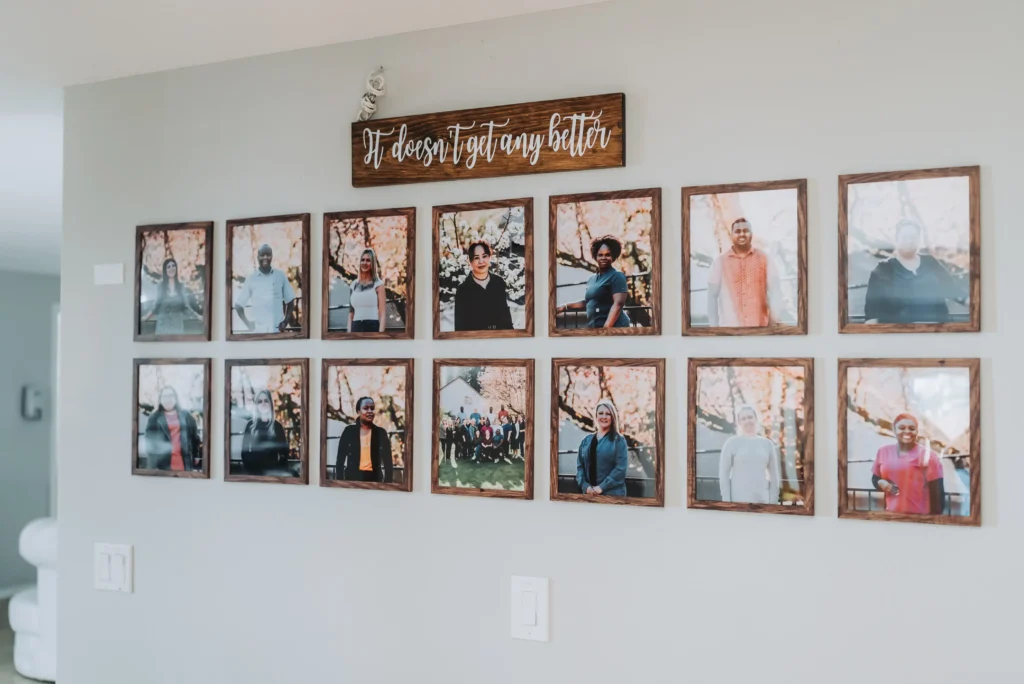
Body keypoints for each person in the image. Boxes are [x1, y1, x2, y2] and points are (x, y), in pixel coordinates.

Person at [863, 220, 962, 324]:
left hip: (937, 331)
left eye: (913, 237)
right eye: (905, 237)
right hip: (900, 334)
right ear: (897, 240)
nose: (909, 241)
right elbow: (872, 312)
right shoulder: (883, 269)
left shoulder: (931, 262)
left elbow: (953, 290)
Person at [706, 218, 786, 327]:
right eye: (737, 231)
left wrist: (772, 323)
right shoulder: (719, 262)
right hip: (729, 331)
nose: (742, 234)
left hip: (759, 329)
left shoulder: (765, 259)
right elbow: (711, 296)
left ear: (752, 235)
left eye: (746, 231)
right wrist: (714, 327)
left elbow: (776, 292)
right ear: (731, 235)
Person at [871, 413, 945, 515]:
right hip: (890, 516)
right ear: (894, 430)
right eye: (901, 428)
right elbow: (875, 478)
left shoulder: (929, 456)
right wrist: (881, 483)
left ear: (917, 432)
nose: (907, 431)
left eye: (911, 428)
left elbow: (938, 497)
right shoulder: (883, 451)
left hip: (918, 519)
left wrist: (930, 523)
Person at [556, 236, 632, 328]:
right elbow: (589, 302)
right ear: (595, 256)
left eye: (607, 255)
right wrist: (565, 306)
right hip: (595, 326)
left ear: (613, 256)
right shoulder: (592, 279)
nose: (603, 258)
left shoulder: (617, 276)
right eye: (600, 255)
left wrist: (606, 329)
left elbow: (618, 304)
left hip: (615, 327)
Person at [718, 405, 781, 504]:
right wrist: (727, 502)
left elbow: (774, 476)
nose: (748, 421)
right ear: (739, 422)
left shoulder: (767, 444)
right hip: (739, 501)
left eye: (750, 417)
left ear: (756, 419)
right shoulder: (731, 443)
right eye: (743, 418)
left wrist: (773, 501)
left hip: (763, 501)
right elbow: (723, 476)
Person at [234, 244, 296, 334]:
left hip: (277, 332)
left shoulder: (280, 275)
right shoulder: (251, 279)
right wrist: (248, 324)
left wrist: (285, 322)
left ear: (272, 256)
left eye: (268, 255)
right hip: (258, 333)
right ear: (257, 256)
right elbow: (238, 306)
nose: (265, 257)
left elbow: (290, 302)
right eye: (262, 255)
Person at [453, 240, 514, 331]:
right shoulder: (463, 290)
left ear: (490, 257)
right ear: (470, 261)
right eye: (476, 258)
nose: (481, 261)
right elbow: (460, 327)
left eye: (484, 256)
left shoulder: (499, 283)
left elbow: (506, 318)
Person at [576, 399, 629, 496]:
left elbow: (620, 469)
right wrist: (585, 487)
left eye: (608, 414)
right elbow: (580, 467)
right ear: (596, 416)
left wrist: (601, 488)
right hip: (589, 495)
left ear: (612, 417)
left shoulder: (619, 441)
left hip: (612, 495)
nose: (604, 416)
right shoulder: (586, 441)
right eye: (600, 413)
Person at [143, 386, 201, 471]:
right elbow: (150, 444)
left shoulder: (186, 415)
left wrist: (196, 455)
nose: (168, 399)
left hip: (184, 462)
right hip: (163, 465)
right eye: (165, 396)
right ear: (160, 400)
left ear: (175, 398)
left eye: (171, 396)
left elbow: (194, 437)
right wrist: (153, 466)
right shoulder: (154, 418)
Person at [335, 397, 393, 482]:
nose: (370, 411)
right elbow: (340, 460)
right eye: (366, 408)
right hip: (352, 479)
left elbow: (388, 462)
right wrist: (340, 483)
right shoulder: (349, 431)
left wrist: (388, 484)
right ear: (358, 411)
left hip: (375, 480)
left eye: (372, 408)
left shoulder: (381, 433)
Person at [143, 258, 202, 335]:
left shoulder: (181, 286)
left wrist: (198, 316)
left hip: (177, 327)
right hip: (162, 327)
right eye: (168, 267)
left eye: (173, 266)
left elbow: (185, 307)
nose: (171, 268)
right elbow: (156, 307)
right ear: (165, 270)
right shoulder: (161, 286)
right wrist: (146, 317)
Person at [240, 389, 290, 474]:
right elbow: (244, 453)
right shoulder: (250, 425)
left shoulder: (277, 426)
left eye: (266, 400)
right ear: (256, 405)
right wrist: (251, 471)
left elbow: (284, 454)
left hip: (273, 474)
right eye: (260, 401)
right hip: (253, 474)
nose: (263, 404)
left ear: (270, 404)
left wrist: (276, 471)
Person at [348, 248, 387, 333]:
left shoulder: (378, 284)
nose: (365, 263)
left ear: (372, 263)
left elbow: (382, 314)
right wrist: (348, 334)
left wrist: (380, 337)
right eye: (362, 260)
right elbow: (351, 314)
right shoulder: (353, 285)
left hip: (372, 327)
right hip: (356, 327)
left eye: (368, 260)